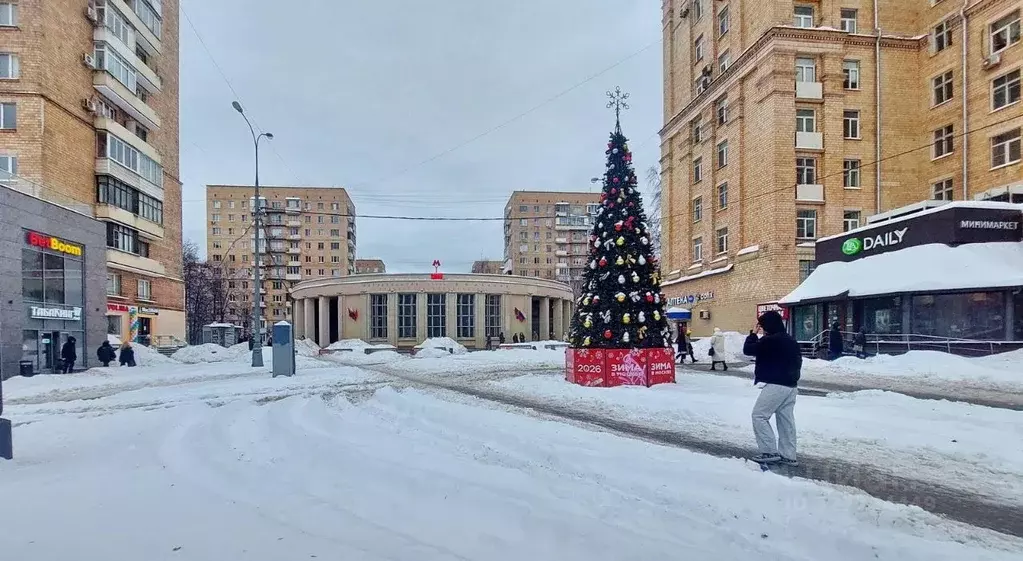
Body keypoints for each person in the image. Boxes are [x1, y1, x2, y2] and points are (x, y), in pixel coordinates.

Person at [743, 311, 802, 466]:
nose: (762, 329)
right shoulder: (790, 339)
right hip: (791, 385)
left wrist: (753, 334)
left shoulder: (770, 340)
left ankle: (769, 451)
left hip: (776, 384)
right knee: (786, 420)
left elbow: (748, 350)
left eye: (762, 326)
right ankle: (789, 455)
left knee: (759, 416)